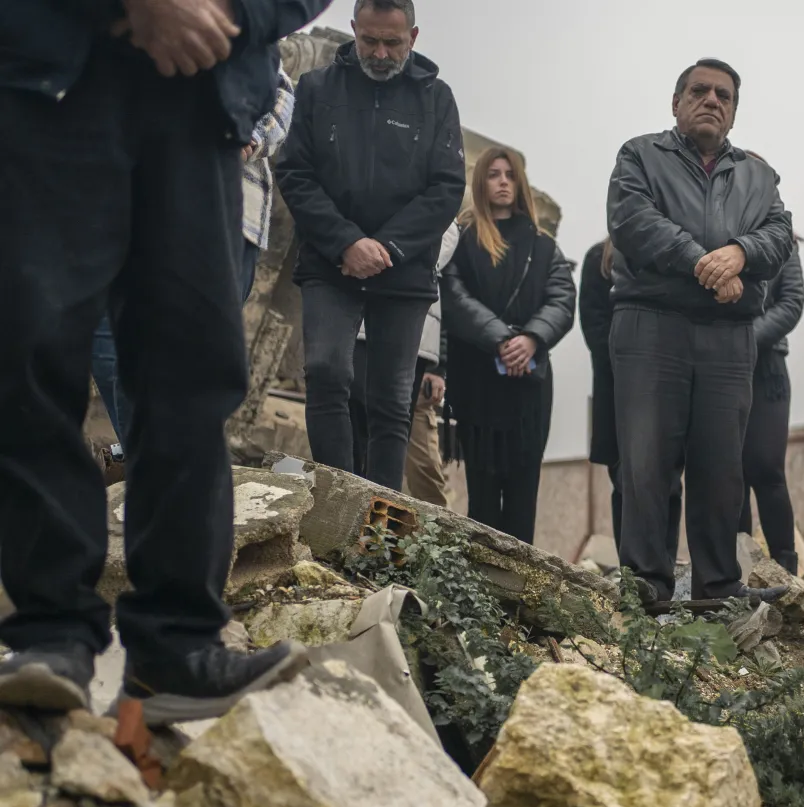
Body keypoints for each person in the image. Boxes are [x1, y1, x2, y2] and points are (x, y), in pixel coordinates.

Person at [0, 0, 331, 721]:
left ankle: (175, 647)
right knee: (30, 349)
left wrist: (229, 13)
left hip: (200, 97)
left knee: (192, 370)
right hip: (55, 76)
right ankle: (51, 632)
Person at [606, 58, 794, 604]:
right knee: (647, 463)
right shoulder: (639, 155)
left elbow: (780, 235)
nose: (712, 100)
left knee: (721, 467)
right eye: (699, 91)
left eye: (724, 96)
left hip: (728, 337)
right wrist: (705, 264)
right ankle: (646, 587)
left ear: (734, 112)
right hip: (650, 327)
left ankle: (718, 588)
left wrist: (740, 252)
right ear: (676, 102)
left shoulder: (759, 176)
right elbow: (634, 222)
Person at [276, 0, 466, 492]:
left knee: (391, 398)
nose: (380, 54)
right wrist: (347, 242)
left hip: (404, 269)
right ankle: (336, 495)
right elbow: (294, 172)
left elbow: (447, 187)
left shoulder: (437, 98)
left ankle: (380, 514)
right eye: (369, 41)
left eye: (392, 43)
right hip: (330, 262)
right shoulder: (317, 88)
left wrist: (386, 247)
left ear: (414, 37)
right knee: (325, 372)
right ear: (354, 30)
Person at [90, 61, 297, 455]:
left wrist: (248, 138)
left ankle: (161, 464)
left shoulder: (247, 36)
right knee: (109, 342)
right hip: (134, 205)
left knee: (189, 354)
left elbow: (280, 96)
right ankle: (150, 459)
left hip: (227, 211)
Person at [440, 148, 575, 543]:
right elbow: (453, 296)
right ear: (481, 182)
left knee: (522, 492)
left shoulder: (544, 246)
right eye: (494, 174)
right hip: (478, 380)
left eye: (510, 175)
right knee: (482, 493)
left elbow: (562, 298)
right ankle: (480, 578)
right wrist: (501, 339)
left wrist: (531, 339)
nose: (502, 181)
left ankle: (518, 580)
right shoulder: (463, 240)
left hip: (528, 385)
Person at [579, 239, 683, 558]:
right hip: (617, 390)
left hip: (667, 387)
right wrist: (633, 362)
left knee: (670, 483)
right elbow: (594, 327)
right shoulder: (599, 259)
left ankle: (664, 565)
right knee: (626, 481)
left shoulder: (670, 252)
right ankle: (631, 570)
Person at [350, 223, 458, 505]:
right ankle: (354, 507)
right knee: (357, 421)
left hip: (417, 337)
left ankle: (380, 517)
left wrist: (439, 368)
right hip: (359, 321)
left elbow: (447, 295)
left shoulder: (446, 220)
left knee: (396, 430)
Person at [734, 153, 804, 572]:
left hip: (767, 369)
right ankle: (737, 571)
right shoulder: (715, 230)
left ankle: (786, 568)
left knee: (767, 468)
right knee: (730, 474)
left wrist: (746, 338)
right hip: (722, 370)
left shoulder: (783, 241)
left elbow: (791, 302)